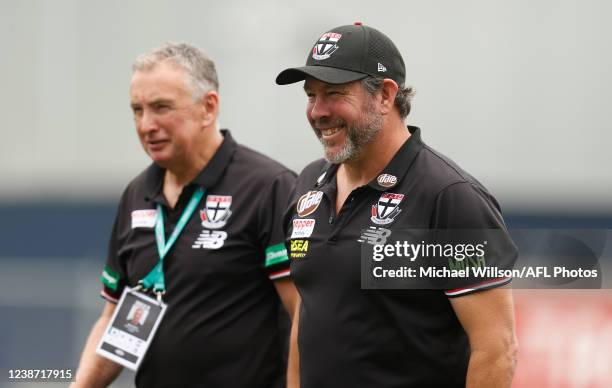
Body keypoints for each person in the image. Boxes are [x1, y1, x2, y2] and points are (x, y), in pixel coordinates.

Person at [276, 23, 518, 387]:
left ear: (386, 95)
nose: (317, 111)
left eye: (334, 93)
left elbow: (496, 349)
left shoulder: (449, 196)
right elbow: (306, 317)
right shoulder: (309, 183)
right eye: (311, 95)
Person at [73, 42, 299, 388]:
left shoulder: (269, 187)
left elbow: (304, 315)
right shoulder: (137, 195)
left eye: (161, 107)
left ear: (208, 107)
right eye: (137, 109)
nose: (146, 124)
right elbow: (116, 320)